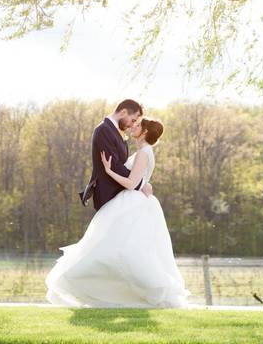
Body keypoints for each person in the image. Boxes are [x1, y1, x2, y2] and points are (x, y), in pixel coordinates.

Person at [46, 115, 190, 308]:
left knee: (118, 250)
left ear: (145, 132)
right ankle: (120, 294)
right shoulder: (144, 152)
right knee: (120, 249)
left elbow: (131, 183)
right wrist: (145, 183)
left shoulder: (143, 153)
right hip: (136, 202)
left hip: (131, 204)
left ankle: (129, 291)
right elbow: (140, 180)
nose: (133, 128)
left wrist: (109, 170)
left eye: (137, 125)